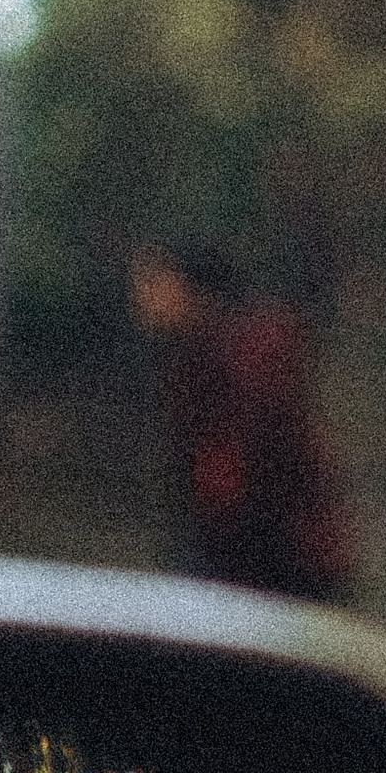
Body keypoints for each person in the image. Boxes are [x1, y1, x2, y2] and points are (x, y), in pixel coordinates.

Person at [130, 244, 354, 603]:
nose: (143, 296)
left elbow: (246, 452)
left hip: (280, 550)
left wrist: (223, 510)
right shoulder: (192, 356)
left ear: (193, 290)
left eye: (156, 282)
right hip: (242, 543)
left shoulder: (244, 351)